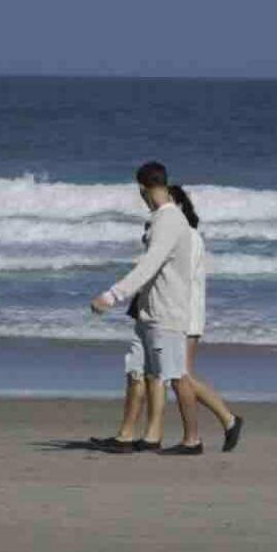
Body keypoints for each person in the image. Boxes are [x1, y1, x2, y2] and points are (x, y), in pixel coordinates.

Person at [89, 162, 200, 454]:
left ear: (142, 189)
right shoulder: (161, 220)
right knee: (137, 370)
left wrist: (112, 295)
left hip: (167, 312)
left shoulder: (170, 221)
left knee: (176, 376)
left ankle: (193, 440)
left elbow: (149, 265)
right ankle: (132, 436)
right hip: (148, 310)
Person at [178, 215, 246, 453]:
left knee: (181, 375)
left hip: (186, 315)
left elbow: (179, 276)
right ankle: (226, 421)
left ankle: (218, 424)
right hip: (181, 314)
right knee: (180, 375)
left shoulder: (188, 237)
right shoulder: (182, 236)